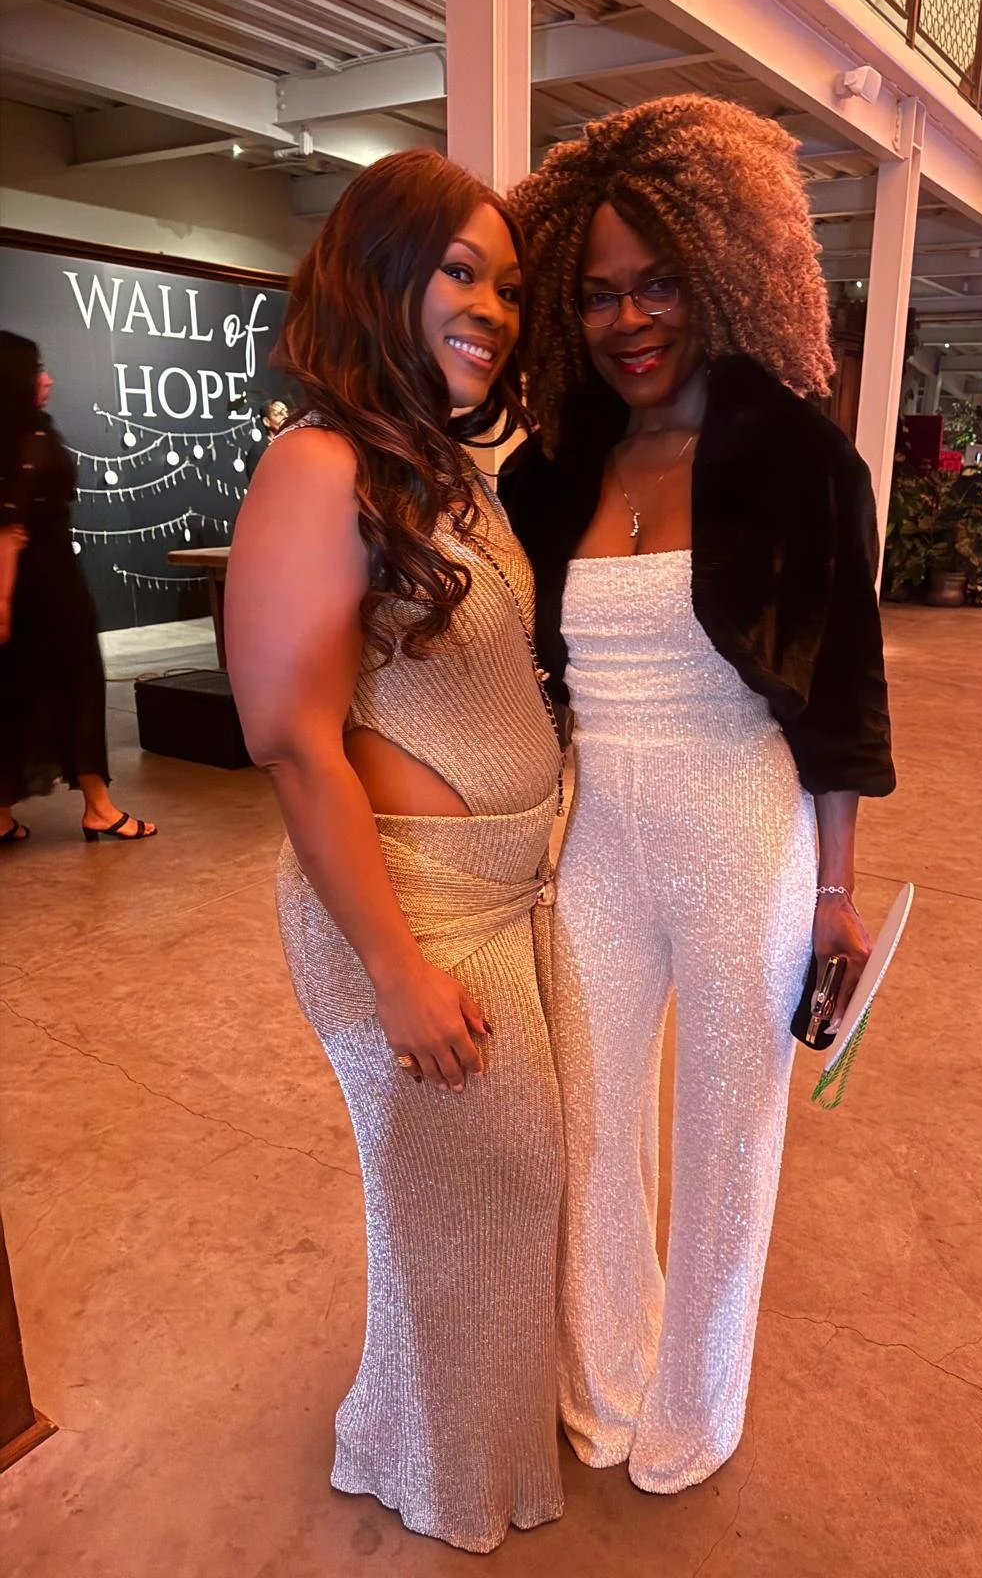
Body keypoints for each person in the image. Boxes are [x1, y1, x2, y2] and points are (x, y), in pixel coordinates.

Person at [500, 95, 896, 1494]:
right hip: (596, 840)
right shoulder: (552, 473)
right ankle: (603, 1381)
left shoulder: (798, 458)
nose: (628, 320)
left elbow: (844, 690)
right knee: (595, 1128)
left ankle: (694, 1409)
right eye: (598, 292)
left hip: (745, 831)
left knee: (729, 1144)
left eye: (658, 279)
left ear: (725, 267)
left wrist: (837, 894)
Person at [224, 151, 565, 1554]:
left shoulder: (446, 465)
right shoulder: (319, 464)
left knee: (479, 1197)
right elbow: (293, 739)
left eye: (508, 284)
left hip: (502, 888)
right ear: (380, 273)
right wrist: (395, 970)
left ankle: (414, 1437)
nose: (493, 306)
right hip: (411, 912)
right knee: (492, 1183)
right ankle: (444, 1477)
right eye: (461, 271)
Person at [0, 332, 156, 844]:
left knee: (17, 691)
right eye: (37, 369)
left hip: (32, 586)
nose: (48, 378)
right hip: (47, 589)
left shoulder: (23, 432)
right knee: (79, 685)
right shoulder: (29, 440)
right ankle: (100, 807)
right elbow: (11, 532)